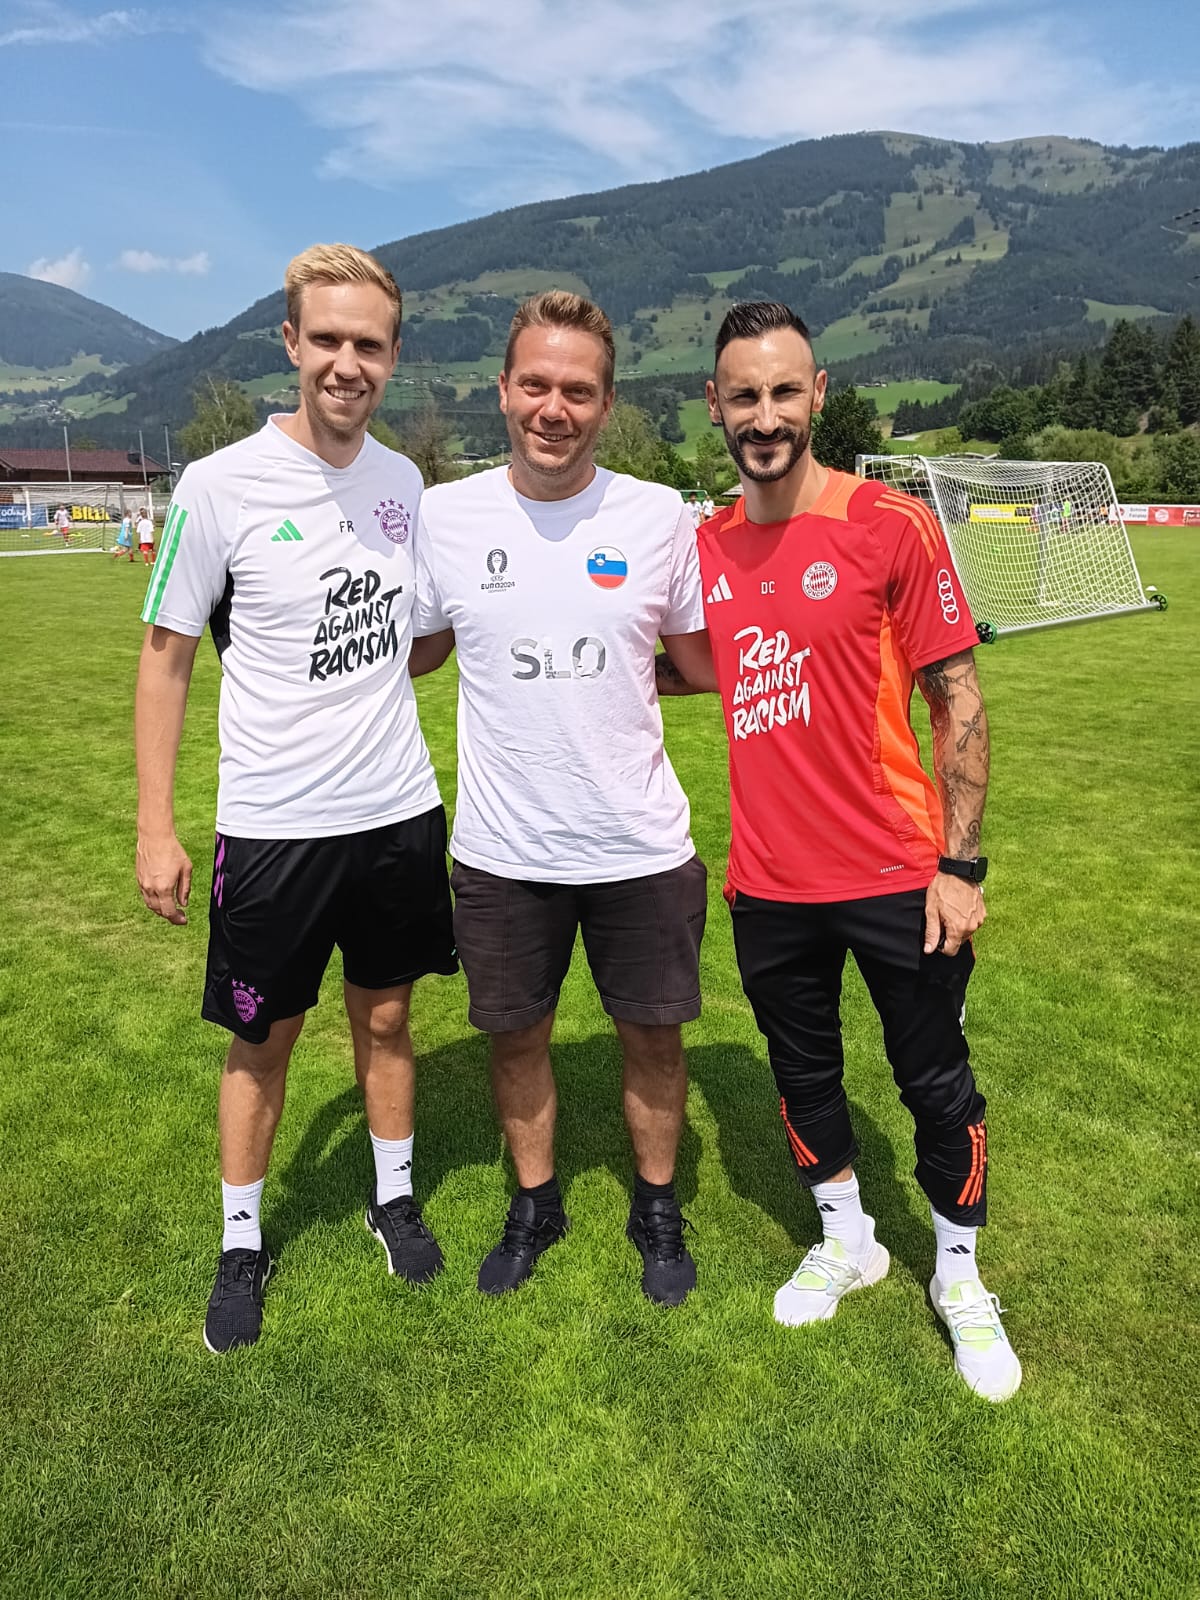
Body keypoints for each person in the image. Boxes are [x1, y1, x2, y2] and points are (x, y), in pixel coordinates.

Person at [658, 301, 1020, 1401]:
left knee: (934, 1082)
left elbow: (957, 697)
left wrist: (958, 868)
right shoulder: (707, 544)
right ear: (715, 405)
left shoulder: (889, 526)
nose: (762, 416)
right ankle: (849, 1239)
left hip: (899, 874)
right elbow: (678, 667)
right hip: (768, 883)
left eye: (782, 392)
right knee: (803, 1077)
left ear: (818, 395)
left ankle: (958, 1274)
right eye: (742, 395)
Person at [135, 243, 456, 1354]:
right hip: (272, 828)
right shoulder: (216, 486)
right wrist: (155, 826)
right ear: (290, 343)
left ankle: (394, 1196)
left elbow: (413, 645)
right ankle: (240, 1244)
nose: (346, 363)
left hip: (397, 811)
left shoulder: (405, 484)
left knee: (389, 1015)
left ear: (393, 356)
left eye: (368, 345)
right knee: (262, 1041)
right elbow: (167, 656)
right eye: (327, 340)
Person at [409, 291, 712, 1306]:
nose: (554, 407)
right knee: (517, 1037)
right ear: (503, 391)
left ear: (606, 402)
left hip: (638, 844)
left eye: (577, 390)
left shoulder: (658, 514)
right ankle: (535, 1202)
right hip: (503, 851)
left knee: (653, 1036)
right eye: (534, 384)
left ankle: (657, 1207)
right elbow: (419, 651)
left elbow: (701, 661)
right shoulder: (445, 515)